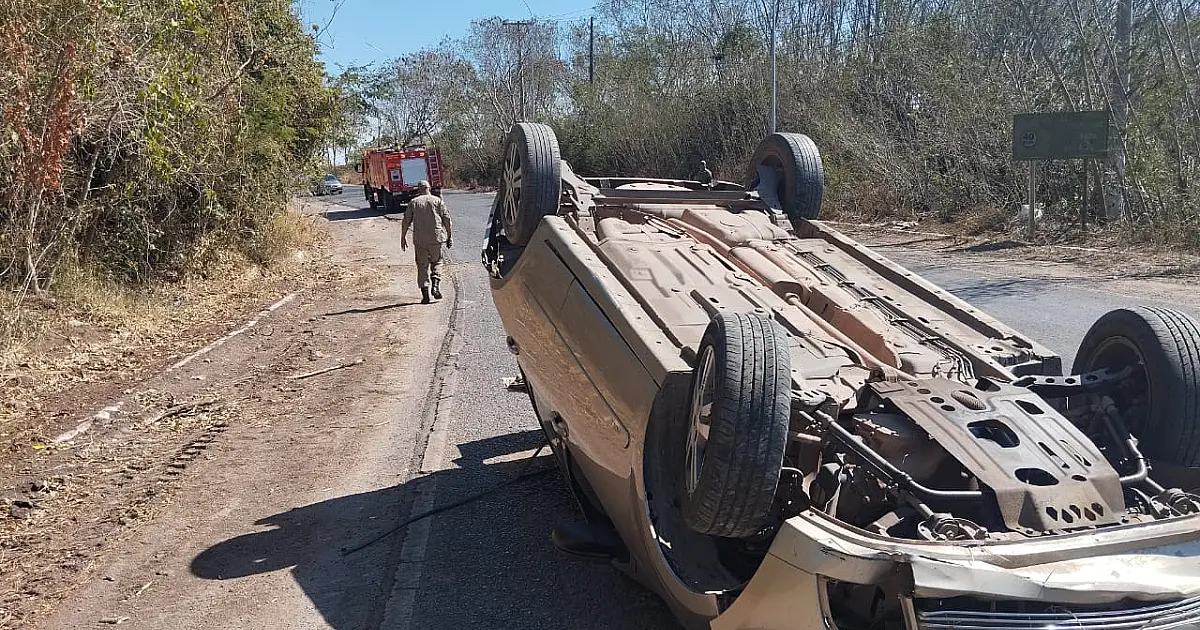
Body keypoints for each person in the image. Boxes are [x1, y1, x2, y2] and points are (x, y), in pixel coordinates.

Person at [400, 181, 453, 304]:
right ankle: (435, 285)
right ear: (429, 188)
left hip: (420, 240)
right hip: (436, 238)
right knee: (437, 262)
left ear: (418, 190)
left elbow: (406, 221)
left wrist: (403, 237)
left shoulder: (414, 202)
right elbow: (447, 219)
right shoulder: (437, 201)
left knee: (422, 265)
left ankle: (425, 296)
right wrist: (450, 236)